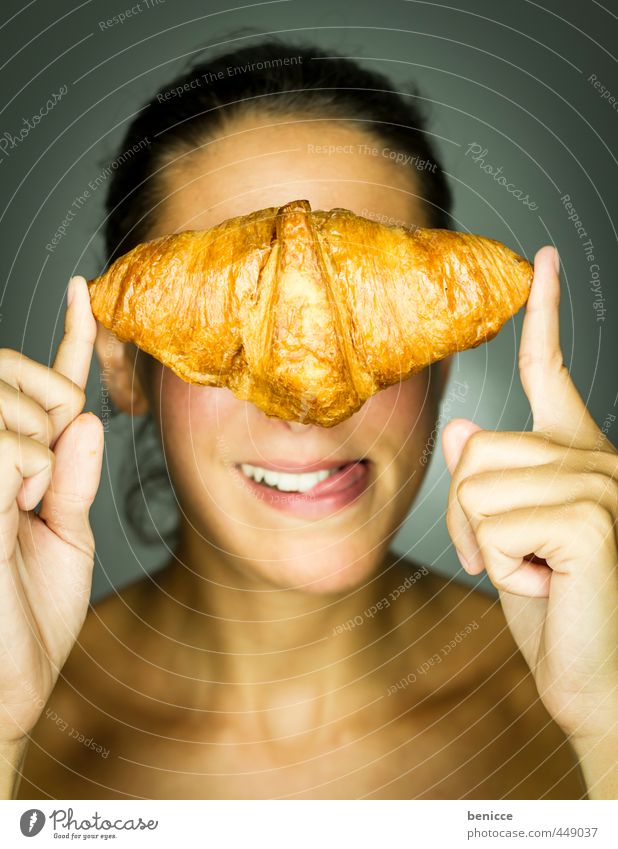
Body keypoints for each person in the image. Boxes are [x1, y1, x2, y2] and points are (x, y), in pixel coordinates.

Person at [1, 39, 616, 801]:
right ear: (127, 365)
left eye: (370, 315)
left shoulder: (589, 704)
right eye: (233, 316)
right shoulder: (24, 726)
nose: (307, 396)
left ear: (444, 349)